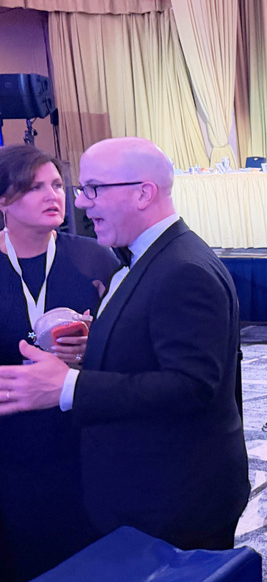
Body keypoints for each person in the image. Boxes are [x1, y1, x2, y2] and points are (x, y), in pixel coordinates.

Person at [0, 137, 249, 553]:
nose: (79, 203)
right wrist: (92, 350)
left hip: (176, 500)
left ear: (143, 193)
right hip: (148, 489)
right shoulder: (151, 259)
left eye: (92, 188)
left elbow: (191, 386)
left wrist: (67, 386)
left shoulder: (182, 269)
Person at [0, 145, 119, 582]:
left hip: (79, 435)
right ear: (2, 201)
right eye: (34, 187)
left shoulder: (95, 258)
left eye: (56, 185)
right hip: (9, 442)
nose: (54, 196)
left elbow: (123, 352)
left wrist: (89, 352)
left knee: (83, 553)